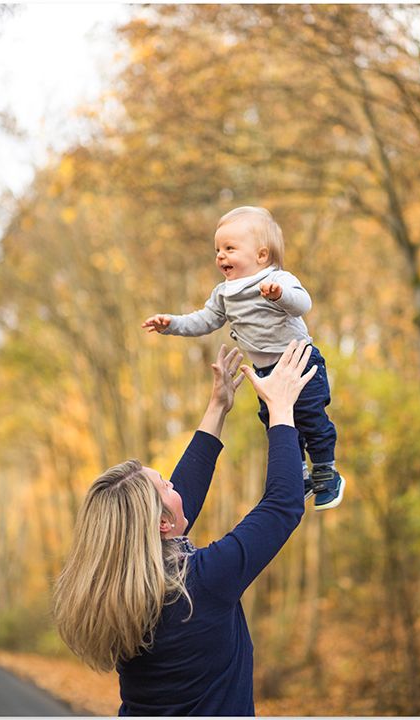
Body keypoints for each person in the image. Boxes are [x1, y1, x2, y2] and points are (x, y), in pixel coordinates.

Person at [53, 340, 316, 715]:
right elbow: (282, 506)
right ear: (161, 522)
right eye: (167, 485)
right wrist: (281, 407)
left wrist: (218, 407)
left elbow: (179, 502)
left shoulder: (125, 592)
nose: (175, 485)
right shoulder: (203, 585)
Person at [142, 206, 343, 510]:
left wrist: (278, 296)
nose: (220, 256)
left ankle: (326, 471)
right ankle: (298, 473)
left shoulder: (277, 279)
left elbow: (303, 304)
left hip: (299, 363)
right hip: (265, 375)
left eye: (230, 248)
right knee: (276, 423)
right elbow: (204, 320)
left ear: (261, 255)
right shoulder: (224, 293)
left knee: (310, 417)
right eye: (218, 249)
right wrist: (172, 324)